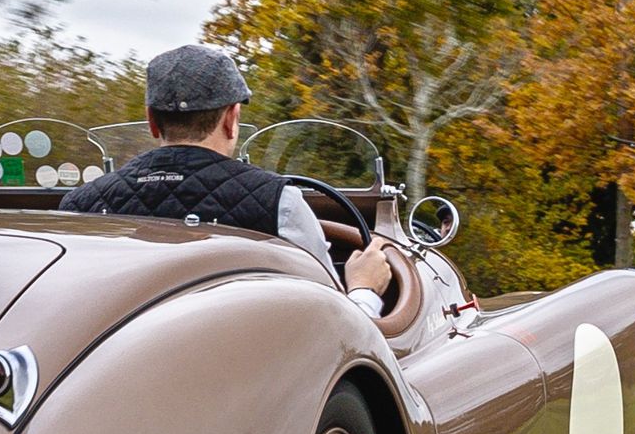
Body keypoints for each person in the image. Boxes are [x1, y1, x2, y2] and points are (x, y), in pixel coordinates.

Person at [59, 44, 392, 317]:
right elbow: (334, 326)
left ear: (152, 122)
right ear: (233, 119)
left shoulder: (79, 206)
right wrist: (364, 290)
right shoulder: (279, 202)